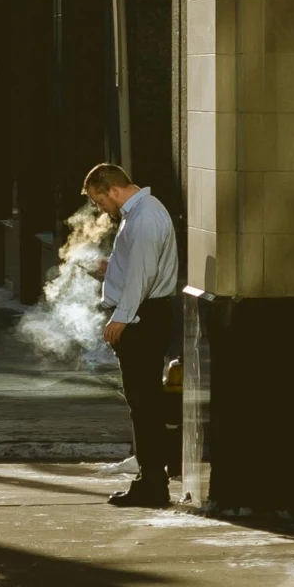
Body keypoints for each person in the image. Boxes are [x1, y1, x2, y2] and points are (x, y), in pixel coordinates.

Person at [82, 162, 179, 508]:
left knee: (144, 403)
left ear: (113, 189)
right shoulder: (139, 214)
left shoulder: (144, 217)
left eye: (98, 200)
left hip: (142, 318)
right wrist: (114, 270)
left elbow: (142, 274)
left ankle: (152, 482)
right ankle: (151, 477)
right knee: (143, 401)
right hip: (144, 314)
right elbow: (137, 267)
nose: (99, 208)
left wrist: (121, 318)